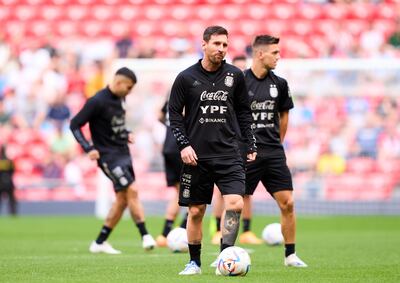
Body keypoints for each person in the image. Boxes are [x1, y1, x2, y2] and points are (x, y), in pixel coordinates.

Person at [168, 26, 257, 275]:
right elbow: (174, 113)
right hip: (197, 156)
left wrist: (250, 142)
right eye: (216, 44)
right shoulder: (186, 78)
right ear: (204, 44)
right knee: (196, 211)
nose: (221, 49)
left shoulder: (235, 76)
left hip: (229, 153)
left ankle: (224, 258)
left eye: (225, 45)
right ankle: (194, 263)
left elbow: (243, 111)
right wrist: (183, 144)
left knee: (235, 203)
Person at [70, 67, 156, 254]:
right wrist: (88, 148)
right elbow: (75, 124)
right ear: (118, 83)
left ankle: (100, 242)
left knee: (122, 200)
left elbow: (115, 125)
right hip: (108, 156)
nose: (130, 91)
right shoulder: (96, 101)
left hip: (123, 153)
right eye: (129, 87)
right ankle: (145, 235)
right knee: (132, 189)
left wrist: (127, 133)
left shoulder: (120, 98)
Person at [244, 35, 307, 267]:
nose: (279, 57)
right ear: (260, 54)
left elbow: (284, 116)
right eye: (275, 53)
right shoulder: (240, 81)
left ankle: (290, 255)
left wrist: (276, 143)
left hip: (273, 153)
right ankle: (226, 252)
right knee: (235, 203)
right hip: (246, 153)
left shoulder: (279, 84)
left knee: (288, 203)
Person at [211, 54, 263, 246]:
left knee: (245, 191)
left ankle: (247, 231)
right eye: (238, 67)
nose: (241, 71)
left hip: (243, 144)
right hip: (226, 143)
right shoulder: (224, 89)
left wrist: (251, 143)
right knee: (220, 191)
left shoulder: (248, 91)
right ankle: (217, 230)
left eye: (244, 68)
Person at [155, 99, 188, 247]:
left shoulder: (170, 100)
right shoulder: (193, 96)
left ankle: (165, 233)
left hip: (168, 147)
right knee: (193, 191)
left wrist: (170, 127)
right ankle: (182, 229)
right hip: (182, 149)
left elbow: (160, 116)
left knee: (179, 192)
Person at [0, 145, 17, 215]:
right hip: (9, 182)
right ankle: (13, 213)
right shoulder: (9, 161)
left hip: (0, 183)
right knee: (12, 200)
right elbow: (13, 171)